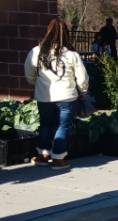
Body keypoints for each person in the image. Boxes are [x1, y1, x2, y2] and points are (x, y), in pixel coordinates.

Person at [25, 19, 89, 170]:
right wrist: (82, 91)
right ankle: (58, 158)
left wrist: (38, 84)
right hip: (67, 96)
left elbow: (29, 75)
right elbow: (82, 78)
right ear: (66, 34)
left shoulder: (36, 52)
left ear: (48, 32)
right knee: (63, 126)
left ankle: (43, 155)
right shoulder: (72, 55)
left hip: (44, 96)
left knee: (45, 124)